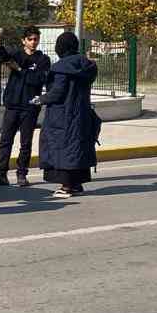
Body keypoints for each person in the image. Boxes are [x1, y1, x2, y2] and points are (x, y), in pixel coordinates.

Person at [0, 25, 50, 188]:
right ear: (23, 41)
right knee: (6, 141)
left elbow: (38, 80)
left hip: (30, 107)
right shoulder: (17, 55)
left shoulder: (42, 60)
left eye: (36, 39)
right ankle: (0, 174)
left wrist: (19, 69)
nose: (33, 42)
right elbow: (4, 58)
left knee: (25, 142)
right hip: (12, 105)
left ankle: (22, 173)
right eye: (30, 39)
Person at [35, 30, 99, 199]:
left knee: (62, 149)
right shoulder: (86, 66)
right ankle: (76, 184)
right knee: (77, 147)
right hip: (81, 114)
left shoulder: (61, 68)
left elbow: (58, 93)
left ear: (60, 48)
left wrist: (41, 99)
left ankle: (66, 186)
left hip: (63, 115)